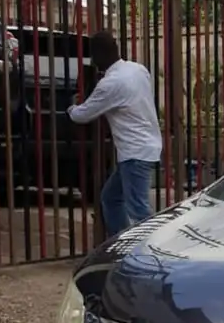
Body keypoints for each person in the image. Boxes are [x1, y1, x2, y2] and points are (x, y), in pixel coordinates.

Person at [69, 31, 162, 237]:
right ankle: (120, 243)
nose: (92, 61)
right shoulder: (138, 70)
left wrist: (72, 106)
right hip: (146, 145)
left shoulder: (110, 83)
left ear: (100, 54)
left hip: (134, 151)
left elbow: (82, 115)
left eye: (93, 56)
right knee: (111, 198)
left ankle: (151, 251)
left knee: (139, 209)